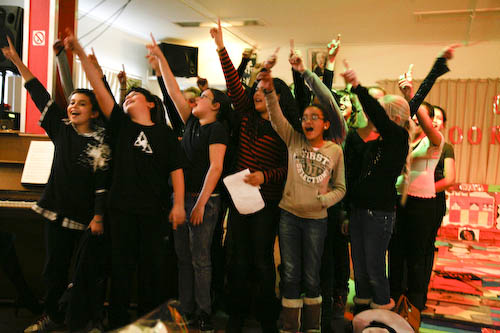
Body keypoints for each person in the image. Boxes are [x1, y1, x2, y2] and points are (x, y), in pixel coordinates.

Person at [64, 30, 186, 329]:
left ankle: (147, 325)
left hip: (153, 213)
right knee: (119, 272)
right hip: (120, 212)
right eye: (127, 95)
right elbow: (98, 88)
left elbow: (176, 170)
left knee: (151, 274)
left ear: (151, 105)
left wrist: (179, 204)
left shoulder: (165, 134)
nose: (128, 97)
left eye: (135, 95)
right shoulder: (120, 125)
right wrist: (78, 50)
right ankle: (116, 323)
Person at [2, 37, 111, 332]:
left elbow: (102, 183)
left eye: (81, 103)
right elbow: (38, 93)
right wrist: (16, 61)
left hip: (84, 217)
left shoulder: (101, 142)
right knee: (53, 270)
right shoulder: (61, 129)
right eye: (71, 102)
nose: (74, 106)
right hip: (54, 211)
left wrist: (98, 215)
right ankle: (52, 316)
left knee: (83, 272)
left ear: (94, 113)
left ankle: (82, 318)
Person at [146, 33, 230, 333]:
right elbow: (172, 92)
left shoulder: (217, 129)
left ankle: (205, 312)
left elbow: (216, 167)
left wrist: (202, 203)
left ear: (216, 106)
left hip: (204, 200)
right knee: (183, 258)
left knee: (200, 259)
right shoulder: (192, 121)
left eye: (204, 98)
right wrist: (161, 60)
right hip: (184, 198)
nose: (197, 99)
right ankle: (186, 308)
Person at [211, 20, 289, 333]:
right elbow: (234, 85)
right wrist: (220, 48)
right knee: (237, 260)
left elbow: (288, 169)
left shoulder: (284, 128)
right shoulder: (244, 116)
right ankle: (237, 316)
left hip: (266, 203)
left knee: (261, 262)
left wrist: (265, 176)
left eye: (264, 91)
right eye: (256, 90)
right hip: (239, 199)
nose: (257, 93)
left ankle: (267, 319)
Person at [263, 55, 346, 332]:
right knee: (289, 274)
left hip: (316, 221)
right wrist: (268, 88)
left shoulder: (335, 150)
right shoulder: (293, 139)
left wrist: (324, 201)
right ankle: (289, 327)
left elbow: (341, 187)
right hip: (289, 216)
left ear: (325, 124)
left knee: (312, 276)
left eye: (314, 117)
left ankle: (312, 328)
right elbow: (275, 117)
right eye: (305, 117)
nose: (308, 120)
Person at [390, 45, 459, 313]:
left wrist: (412, 97)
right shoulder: (404, 140)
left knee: (418, 257)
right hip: (399, 203)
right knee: (397, 254)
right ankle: (394, 298)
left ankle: (416, 304)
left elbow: (423, 120)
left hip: (424, 205)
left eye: (421, 115)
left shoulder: (435, 142)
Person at [341, 60, 412, 314]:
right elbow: (358, 176)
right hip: (360, 210)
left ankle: (381, 315)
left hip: (379, 213)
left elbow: (377, 115)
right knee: (358, 267)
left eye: (381, 111)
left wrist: (358, 86)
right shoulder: (379, 142)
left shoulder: (398, 137)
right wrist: (349, 211)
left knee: (373, 267)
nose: (373, 115)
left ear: (393, 117)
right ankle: (362, 313)